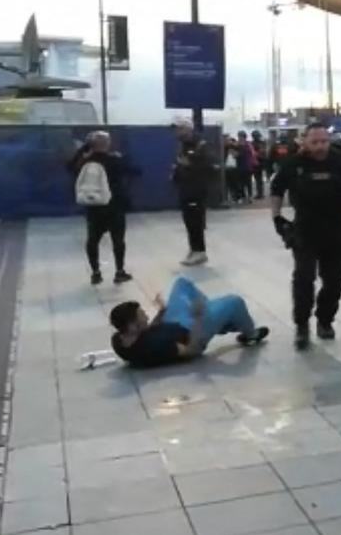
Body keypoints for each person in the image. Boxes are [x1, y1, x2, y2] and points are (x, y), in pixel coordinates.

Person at [270, 123, 341, 350]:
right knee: (304, 278)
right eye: (315, 142)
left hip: (336, 231)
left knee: (335, 281)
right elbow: (276, 189)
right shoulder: (293, 164)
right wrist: (277, 217)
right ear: (305, 142)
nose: (320, 146)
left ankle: (325, 320)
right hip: (305, 231)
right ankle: (301, 326)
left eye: (324, 141)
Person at [109, 277, 269, 369]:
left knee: (182, 283)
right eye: (141, 315)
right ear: (132, 326)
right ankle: (250, 335)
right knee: (235, 301)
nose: (145, 315)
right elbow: (192, 351)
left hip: (171, 322)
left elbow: (146, 332)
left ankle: (218, 319)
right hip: (192, 333)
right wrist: (199, 318)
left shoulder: (120, 340)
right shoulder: (157, 347)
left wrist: (162, 312)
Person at [68, 131, 139, 285]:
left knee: (93, 240)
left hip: (94, 207)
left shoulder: (84, 162)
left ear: (90, 145)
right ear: (107, 144)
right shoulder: (115, 160)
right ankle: (119, 272)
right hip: (115, 206)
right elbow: (135, 171)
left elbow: (70, 167)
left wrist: (82, 150)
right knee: (118, 240)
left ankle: (95, 273)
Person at [172, 118, 216, 266]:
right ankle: (194, 249)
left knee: (196, 221)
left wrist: (190, 165)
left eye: (179, 129)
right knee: (188, 221)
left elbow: (210, 167)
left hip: (196, 190)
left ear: (188, 129)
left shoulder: (201, 145)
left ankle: (200, 251)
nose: (176, 132)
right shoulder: (182, 146)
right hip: (185, 188)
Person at [250, 130, 268, 199]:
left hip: (257, 162)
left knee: (258, 179)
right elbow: (263, 152)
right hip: (260, 162)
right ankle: (260, 193)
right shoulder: (262, 143)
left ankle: (260, 193)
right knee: (259, 179)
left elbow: (260, 152)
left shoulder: (253, 143)